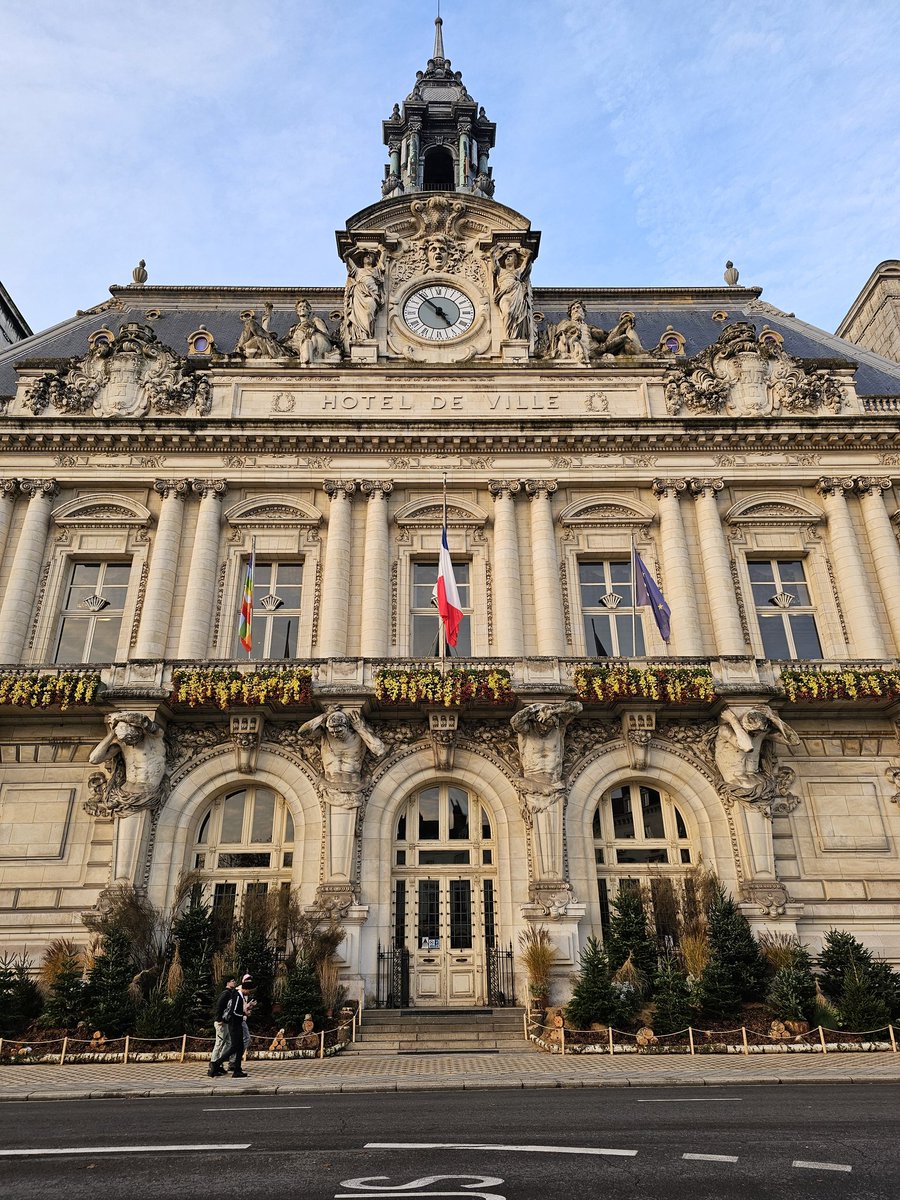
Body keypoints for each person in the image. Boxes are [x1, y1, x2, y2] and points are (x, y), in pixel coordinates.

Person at [209, 977, 250, 1077]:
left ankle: (237, 1069)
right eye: (248, 990)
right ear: (244, 989)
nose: (249, 993)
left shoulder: (234, 994)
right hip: (234, 1025)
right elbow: (233, 1011)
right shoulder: (235, 995)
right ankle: (215, 1063)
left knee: (237, 1047)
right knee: (231, 1046)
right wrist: (220, 1020)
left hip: (234, 1024)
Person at [492, 246, 533, 342]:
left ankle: (513, 337)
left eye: (510, 256)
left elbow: (530, 254)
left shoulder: (518, 271)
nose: (507, 258)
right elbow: (493, 258)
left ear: (515, 260)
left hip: (516, 293)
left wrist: (519, 249)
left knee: (517, 315)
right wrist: (498, 250)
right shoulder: (501, 271)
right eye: (507, 257)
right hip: (504, 295)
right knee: (508, 311)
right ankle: (508, 335)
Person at [343, 249, 385, 343]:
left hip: (372, 296)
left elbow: (382, 261)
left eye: (371, 255)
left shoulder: (376, 270)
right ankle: (363, 336)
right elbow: (346, 256)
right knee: (361, 316)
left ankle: (368, 334)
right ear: (362, 259)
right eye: (366, 255)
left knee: (369, 312)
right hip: (359, 294)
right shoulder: (357, 271)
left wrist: (382, 251)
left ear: (374, 259)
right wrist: (357, 248)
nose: (368, 257)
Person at [208, 975, 236, 1077]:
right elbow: (219, 1006)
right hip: (221, 1023)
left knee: (228, 1043)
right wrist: (220, 1019)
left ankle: (219, 1062)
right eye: (232, 981)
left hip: (226, 1023)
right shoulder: (225, 994)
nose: (234, 982)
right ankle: (213, 1064)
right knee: (219, 1043)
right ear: (227, 983)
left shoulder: (230, 993)